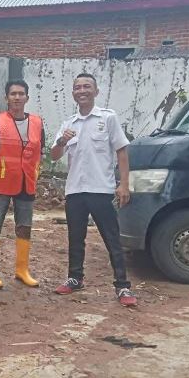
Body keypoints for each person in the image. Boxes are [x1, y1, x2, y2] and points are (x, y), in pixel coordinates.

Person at [50, 73, 138, 307]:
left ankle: (122, 286)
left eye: (87, 86)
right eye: (77, 87)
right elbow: (53, 155)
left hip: (101, 189)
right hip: (75, 190)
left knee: (111, 238)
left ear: (96, 91)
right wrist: (61, 141)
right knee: (75, 237)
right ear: (73, 94)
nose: (82, 91)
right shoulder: (68, 124)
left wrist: (124, 184)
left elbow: (121, 151)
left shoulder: (108, 118)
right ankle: (75, 278)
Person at [0, 80, 46, 289]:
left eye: (21, 94)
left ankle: (22, 270)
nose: (17, 97)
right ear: (6, 97)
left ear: (27, 97)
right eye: (13, 94)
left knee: (24, 227)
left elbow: (39, 152)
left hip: (27, 182)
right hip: (1, 183)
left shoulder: (37, 123)